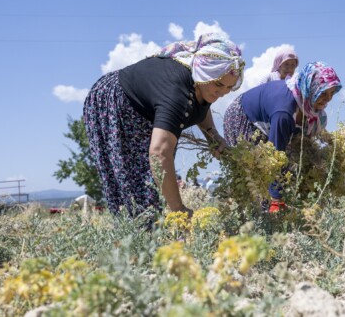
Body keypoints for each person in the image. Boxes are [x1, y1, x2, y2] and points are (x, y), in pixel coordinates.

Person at [83, 32, 244, 218]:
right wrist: (179, 211)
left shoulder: (204, 86)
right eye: (218, 84)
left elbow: (201, 104)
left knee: (155, 188)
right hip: (116, 103)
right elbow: (159, 153)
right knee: (139, 194)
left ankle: (153, 238)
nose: (222, 92)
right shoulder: (178, 94)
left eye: (228, 87)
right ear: (203, 74)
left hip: (145, 113)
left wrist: (212, 135)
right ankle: (141, 242)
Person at [223, 61, 342, 211]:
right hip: (243, 117)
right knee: (255, 175)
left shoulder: (303, 102)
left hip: (267, 123)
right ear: (310, 88)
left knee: (286, 167)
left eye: (331, 94)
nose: (328, 99)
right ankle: (256, 215)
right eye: (323, 93)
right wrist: (276, 199)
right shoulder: (284, 113)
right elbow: (275, 155)